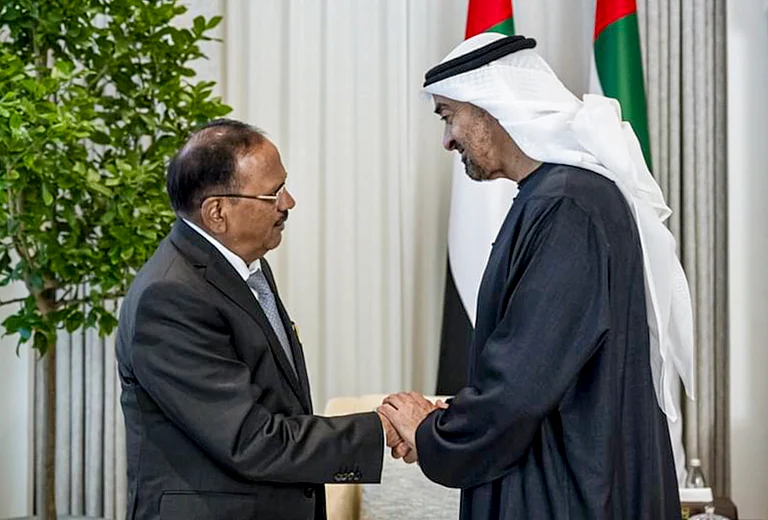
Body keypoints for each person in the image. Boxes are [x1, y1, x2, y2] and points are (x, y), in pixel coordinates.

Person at [379, 34, 695, 519]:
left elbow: (523, 382)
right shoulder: (556, 195)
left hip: (569, 492)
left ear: (488, 107)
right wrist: (452, 425)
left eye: (448, 115)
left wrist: (432, 433)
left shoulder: (567, 204)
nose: (446, 141)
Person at [116, 119, 405, 520]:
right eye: (273, 194)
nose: (289, 203)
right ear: (217, 212)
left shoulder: (244, 266)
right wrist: (381, 429)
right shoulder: (170, 298)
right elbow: (250, 440)